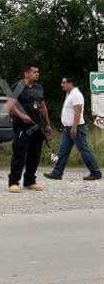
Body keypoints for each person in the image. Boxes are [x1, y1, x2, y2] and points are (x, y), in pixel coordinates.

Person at [5, 64, 53, 193]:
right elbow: (9, 106)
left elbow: (43, 107)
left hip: (37, 126)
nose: (37, 74)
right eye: (34, 72)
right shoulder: (18, 86)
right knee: (19, 154)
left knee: (34, 155)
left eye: (38, 72)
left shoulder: (39, 88)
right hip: (22, 126)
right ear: (26, 73)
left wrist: (47, 124)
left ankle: (30, 181)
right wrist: (22, 115)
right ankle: (14, 182)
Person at [44, 77, 101, 181]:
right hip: (68, 128)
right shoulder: (69, 94)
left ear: (71, 83)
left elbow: (78, 112)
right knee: (63, 151)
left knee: (84, 150)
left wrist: (74, 127)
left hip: (76, 128)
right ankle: (57, 173)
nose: (62, 84)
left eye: (64, 83)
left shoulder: (76, 94)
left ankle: (96, 172)